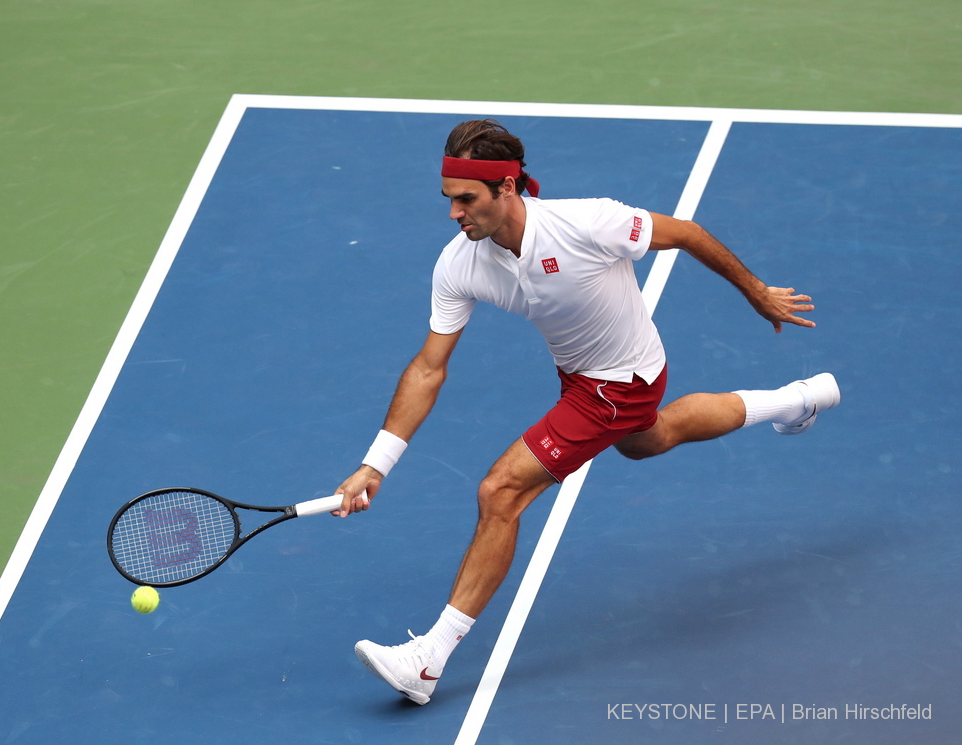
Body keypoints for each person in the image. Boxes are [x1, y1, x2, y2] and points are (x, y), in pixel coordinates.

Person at [333, 119, 840, 705]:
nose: (454, 214)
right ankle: (799, 398)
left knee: (501, 492)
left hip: (619, 382)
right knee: (650, 437)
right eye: (448, 200)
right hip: (587, 377)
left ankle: (429, 660)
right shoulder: (459, 264)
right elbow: (428, 367)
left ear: (506, 187)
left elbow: (687, 233)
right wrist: (376, 464)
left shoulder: (586, 222)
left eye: (466, 200)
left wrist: (756, 291)